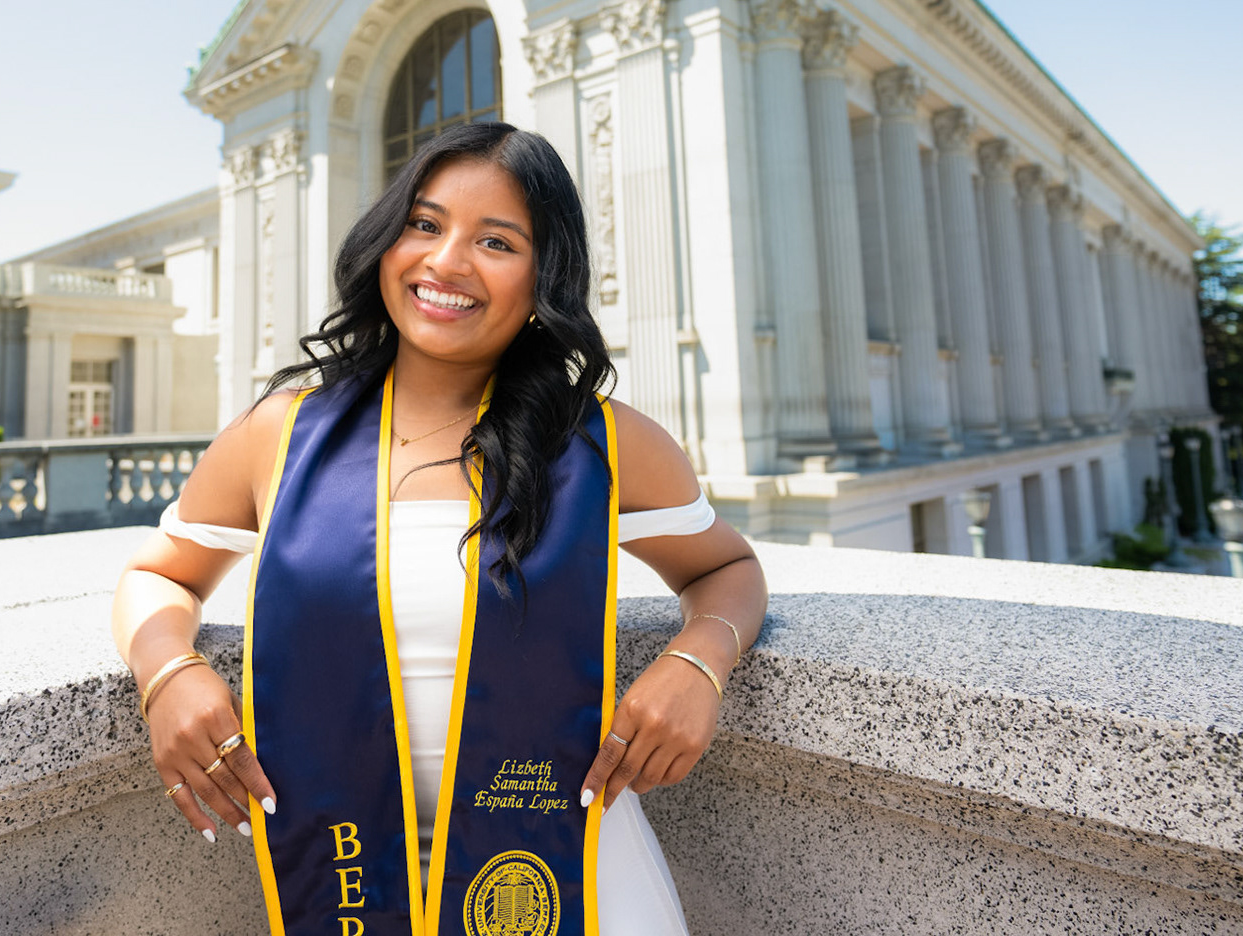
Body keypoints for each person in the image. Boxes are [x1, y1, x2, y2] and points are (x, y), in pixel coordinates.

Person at [112, 121, 767, 935]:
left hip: (572, 881)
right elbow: (158, 574)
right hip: (343, 880)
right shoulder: (278, 435)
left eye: (496, 241)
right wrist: (169, 672)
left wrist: (696, 663)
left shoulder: (603, 442)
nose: (446, 261)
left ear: (544, 277)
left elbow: (726, 570)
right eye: (424, 224)